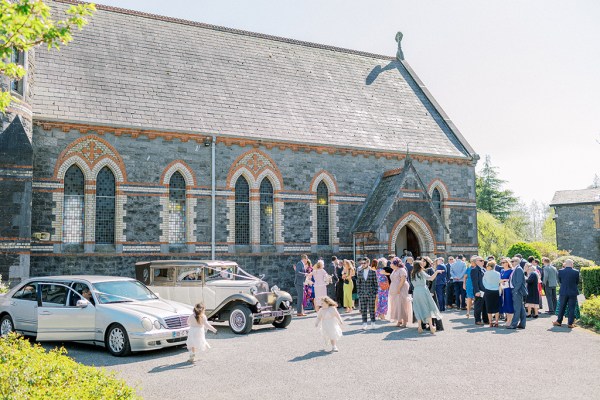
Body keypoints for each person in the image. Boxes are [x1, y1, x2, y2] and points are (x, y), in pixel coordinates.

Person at [411, 260, 443, 334]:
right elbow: (431, 278)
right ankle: (431, 327)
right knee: (427, 308)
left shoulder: (412, 273)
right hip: (423, 290)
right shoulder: (421, 272)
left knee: (418, 308)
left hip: (416, 291)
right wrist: (437, 272)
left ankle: (420, 326)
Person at [553, 259, 580, 328]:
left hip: (563, 291)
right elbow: (577, 282)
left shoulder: (561, 271)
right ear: (572, 264)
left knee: (562, 307)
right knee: (572, 308)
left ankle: (559, 321)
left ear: (565, 264)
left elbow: (560, 281)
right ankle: (570, 323)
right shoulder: (576, 272)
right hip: (573, 292)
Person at [388, 258, 412, 327]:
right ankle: (399, 320)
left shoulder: (402, 270)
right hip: (394, 290)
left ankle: (405, 321)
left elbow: (403, 280)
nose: (390, 264)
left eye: (392, 263)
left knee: (402, 304)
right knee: (397, 305)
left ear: (396, 264)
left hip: (401, 289)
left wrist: (398, 288)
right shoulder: (394, 270)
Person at [357, 257, 378, 330]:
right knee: (363, 309)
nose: (362, 264)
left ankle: (373, 322)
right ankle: (364, 323)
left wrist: (375, 293)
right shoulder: (359, 272)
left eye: (364, 263)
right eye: (361, 263)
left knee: (372, 308)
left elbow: (376, 283)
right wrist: (359, 292)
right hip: (362, 293)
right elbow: (358, 284)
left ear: (368, 263)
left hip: (371, 293)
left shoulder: (373, 272)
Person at [506, 257, 528, 330]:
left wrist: (515, 290)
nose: (511, 263)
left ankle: (514, 324)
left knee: (517, 308)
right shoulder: (515, 269)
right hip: (515, 290)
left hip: (517, 291)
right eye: (511, 261)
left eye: (513, 261)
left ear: (517, 262)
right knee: (521, 308)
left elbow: (519, 282)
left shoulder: (518, 269)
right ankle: (522, 324)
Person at [483, 260, 502, 327]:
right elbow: (499, 282)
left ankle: (490, 322)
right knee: (496, 306)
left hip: (488, 291)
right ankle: (496, 322)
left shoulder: (486, 273)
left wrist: (487, 286)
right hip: (496, 291)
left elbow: (483, 282)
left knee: (489, 307)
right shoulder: (498, 273)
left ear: (490, 267)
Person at [471, 256, 489, 325]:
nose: (482, 261)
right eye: (480, 260)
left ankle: (486, 320)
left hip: (485, 290)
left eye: (483, 260)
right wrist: (476, 291)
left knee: (485, 306)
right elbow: (474, 282)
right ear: (476, 262)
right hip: (479, 291)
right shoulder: (474, 269)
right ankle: (477, 320)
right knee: (478, 306)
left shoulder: (484, 269)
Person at [499, 258, 514, 326]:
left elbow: (512, 279)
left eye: (504, 262)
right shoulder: (502, 271)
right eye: (501, 262)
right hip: (503, 289)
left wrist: (505, 280)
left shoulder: (511, 270)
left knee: (509, 303)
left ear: (507, 263)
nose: (502, 264)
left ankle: (510, 321)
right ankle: (507, 320)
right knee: (504, 303)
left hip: (508, 289)